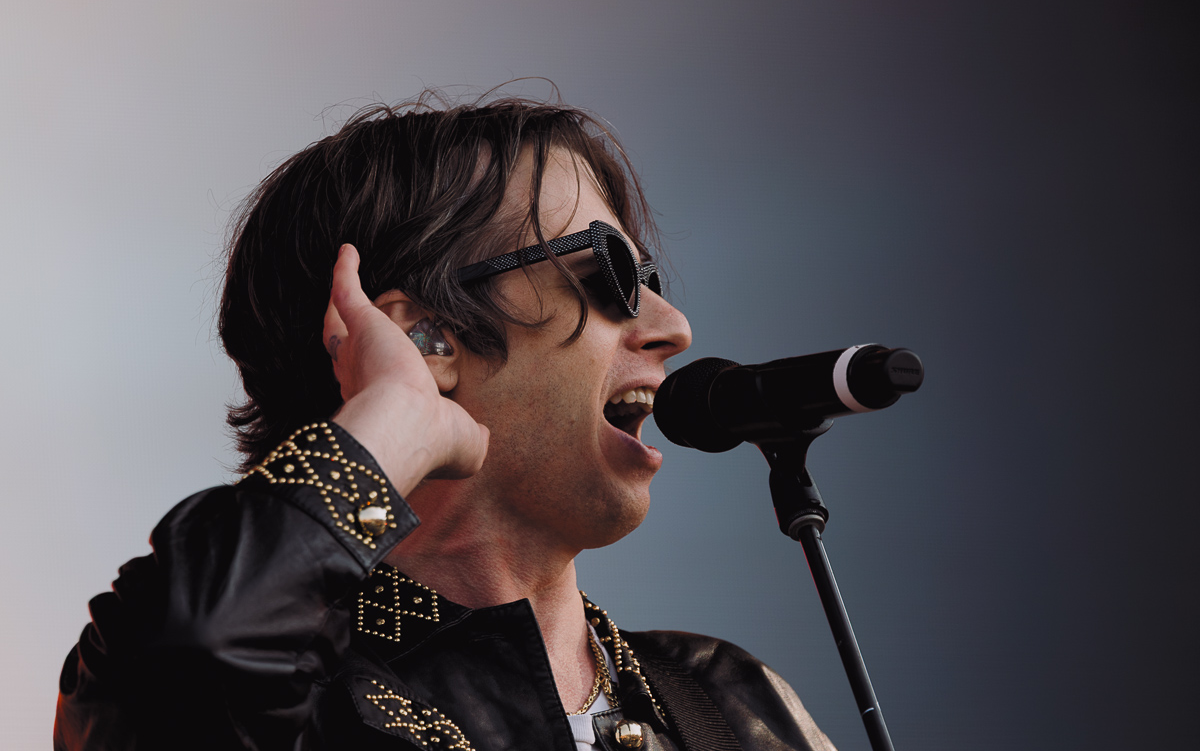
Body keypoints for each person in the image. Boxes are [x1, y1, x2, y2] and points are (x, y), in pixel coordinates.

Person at [55, 94, 836, 750]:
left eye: (651, 277)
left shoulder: (733, 701)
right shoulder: (298, 713)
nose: (674, 326)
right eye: (611, 273)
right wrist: (393, 418)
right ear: (428, 338)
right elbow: (187, 654)